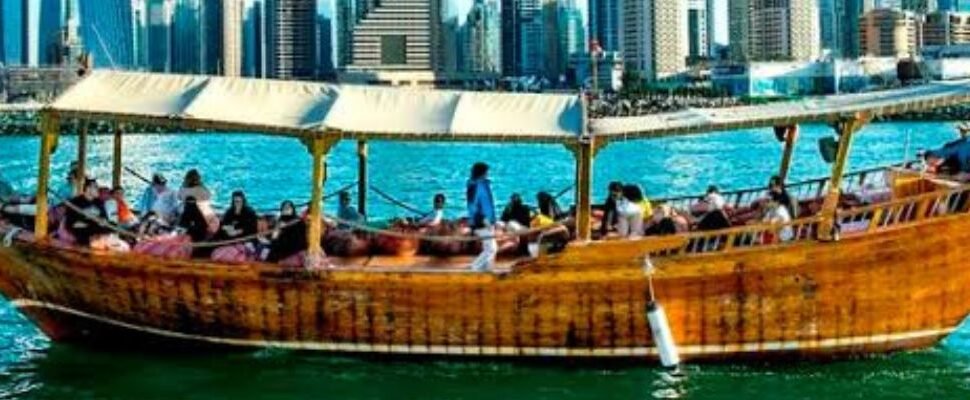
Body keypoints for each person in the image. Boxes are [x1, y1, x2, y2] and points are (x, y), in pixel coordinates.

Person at [467, 162, 497, 272]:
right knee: (491, 249)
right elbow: (473, 206)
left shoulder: (484, 184)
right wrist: (484, 219)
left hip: (488, 221)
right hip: (481, 222)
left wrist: (493, 220)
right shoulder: (475, 186)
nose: (488, 174)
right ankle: (474, 268)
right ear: (482, 172)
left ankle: (488, 270)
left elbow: (488, 204)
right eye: (486, 172)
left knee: (489, 248)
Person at [65, 179, 110, 247]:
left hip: (96, 227)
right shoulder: (75, 202)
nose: (98, 189)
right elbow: (72, 223)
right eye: (95, 187)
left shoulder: (99, 202)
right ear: (88, 189)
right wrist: (90, 224)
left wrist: (104, 221)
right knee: (84, 232)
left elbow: (105, 218)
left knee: (112, 226)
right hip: (82, 230)